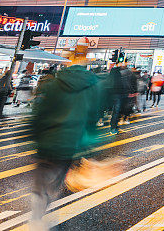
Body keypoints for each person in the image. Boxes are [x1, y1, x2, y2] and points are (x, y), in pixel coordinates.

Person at [29, 53, 103, 231]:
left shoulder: (54, 83)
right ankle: (43, 207)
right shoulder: (93, 87)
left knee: (43, 172)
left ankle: (37, 212)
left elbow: (41, 111)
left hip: (47, 138)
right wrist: (90, 145)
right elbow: (94, 116)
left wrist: (33, 134)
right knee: (57, 178)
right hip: (71, 140)